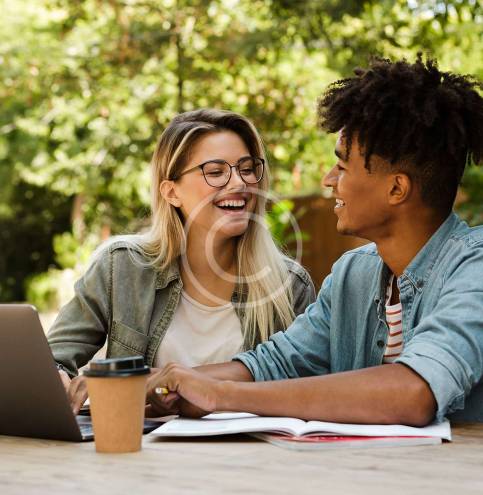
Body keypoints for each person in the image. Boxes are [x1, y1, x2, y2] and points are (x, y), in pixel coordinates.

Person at [147, 56, 483, 425]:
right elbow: (274, 364)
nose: (327, 179)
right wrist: (160, 385)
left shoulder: (473, 269)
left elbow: (415, 393)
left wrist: (219, 395)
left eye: (342, 166)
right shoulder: (352, 275)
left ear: (396, 188)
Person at [48, 108, 315, 413]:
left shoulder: (289, 286)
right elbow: (52, 359)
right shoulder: (121, 267)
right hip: (138, 453)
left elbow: (303, 388)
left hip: (248, 455)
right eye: (215, 172)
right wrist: (55, 379)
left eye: (247, 168)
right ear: (171, 192)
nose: (239, 183)